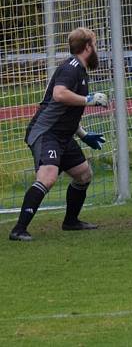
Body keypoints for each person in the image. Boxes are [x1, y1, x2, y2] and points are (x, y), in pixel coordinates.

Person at [9, 27, 108, 241]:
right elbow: (59, 94)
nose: (97, 48)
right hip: (46, 133)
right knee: (48, 176)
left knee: (84, 174)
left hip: (62, 135)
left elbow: (66, 113)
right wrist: (89, 100)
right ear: (88, 46)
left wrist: (83, 135)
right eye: (95, 44)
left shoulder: (79, 70)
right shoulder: (71, 68)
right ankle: (18, 229)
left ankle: (71, 221)